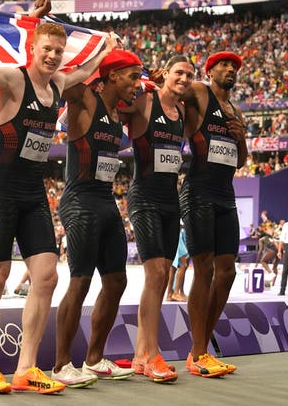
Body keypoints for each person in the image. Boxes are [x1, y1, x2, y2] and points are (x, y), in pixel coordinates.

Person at [0, 0, 115, 394]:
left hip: (34, 194)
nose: (53, 56)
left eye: (57, 51)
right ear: (32, 49)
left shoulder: (58, 83)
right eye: (46, 49)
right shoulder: (13, 79)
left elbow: (85, 69)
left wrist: (105, 47)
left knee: (47, 276)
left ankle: (27, 367)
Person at [51, 49, 142, 387]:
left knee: (117, 281)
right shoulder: (85, 99)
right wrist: (98, 53)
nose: (138, 83)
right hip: (80, 201)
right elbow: (59, 78)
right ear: (112, 75)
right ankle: (61, 365)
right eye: (132, 76)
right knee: (81, 281)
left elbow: (149, 97)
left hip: (106, 202)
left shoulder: (120, 110)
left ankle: (94, 359)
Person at [125, 55, 194, 383]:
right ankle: (152, 355)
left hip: (170, 201)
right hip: (144, 198)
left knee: (162, 276)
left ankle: (141, 354)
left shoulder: (181, 112)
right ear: (165, 73)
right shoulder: (144, 101)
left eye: (189, 75)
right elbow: (115, 101)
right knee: (155, 273)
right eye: (179, 72)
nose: (184, 78)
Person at [180, 51, 248, 377]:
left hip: (226, 195)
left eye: (234, 66)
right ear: (210, 71)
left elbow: (241, 161)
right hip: (198, 191)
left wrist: (242, 138)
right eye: (223, 64)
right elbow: (172, 90)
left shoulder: (236, 112)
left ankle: (201, 349)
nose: (230, 69)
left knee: (228, 273)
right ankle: (199, 352)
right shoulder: (198, 92)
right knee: (203, 270)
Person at [167, 225, 189, 302]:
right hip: (177, 232)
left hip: (180, 231)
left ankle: (171, 294)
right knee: (183, 265)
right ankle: (175, 293)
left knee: (174, 266)